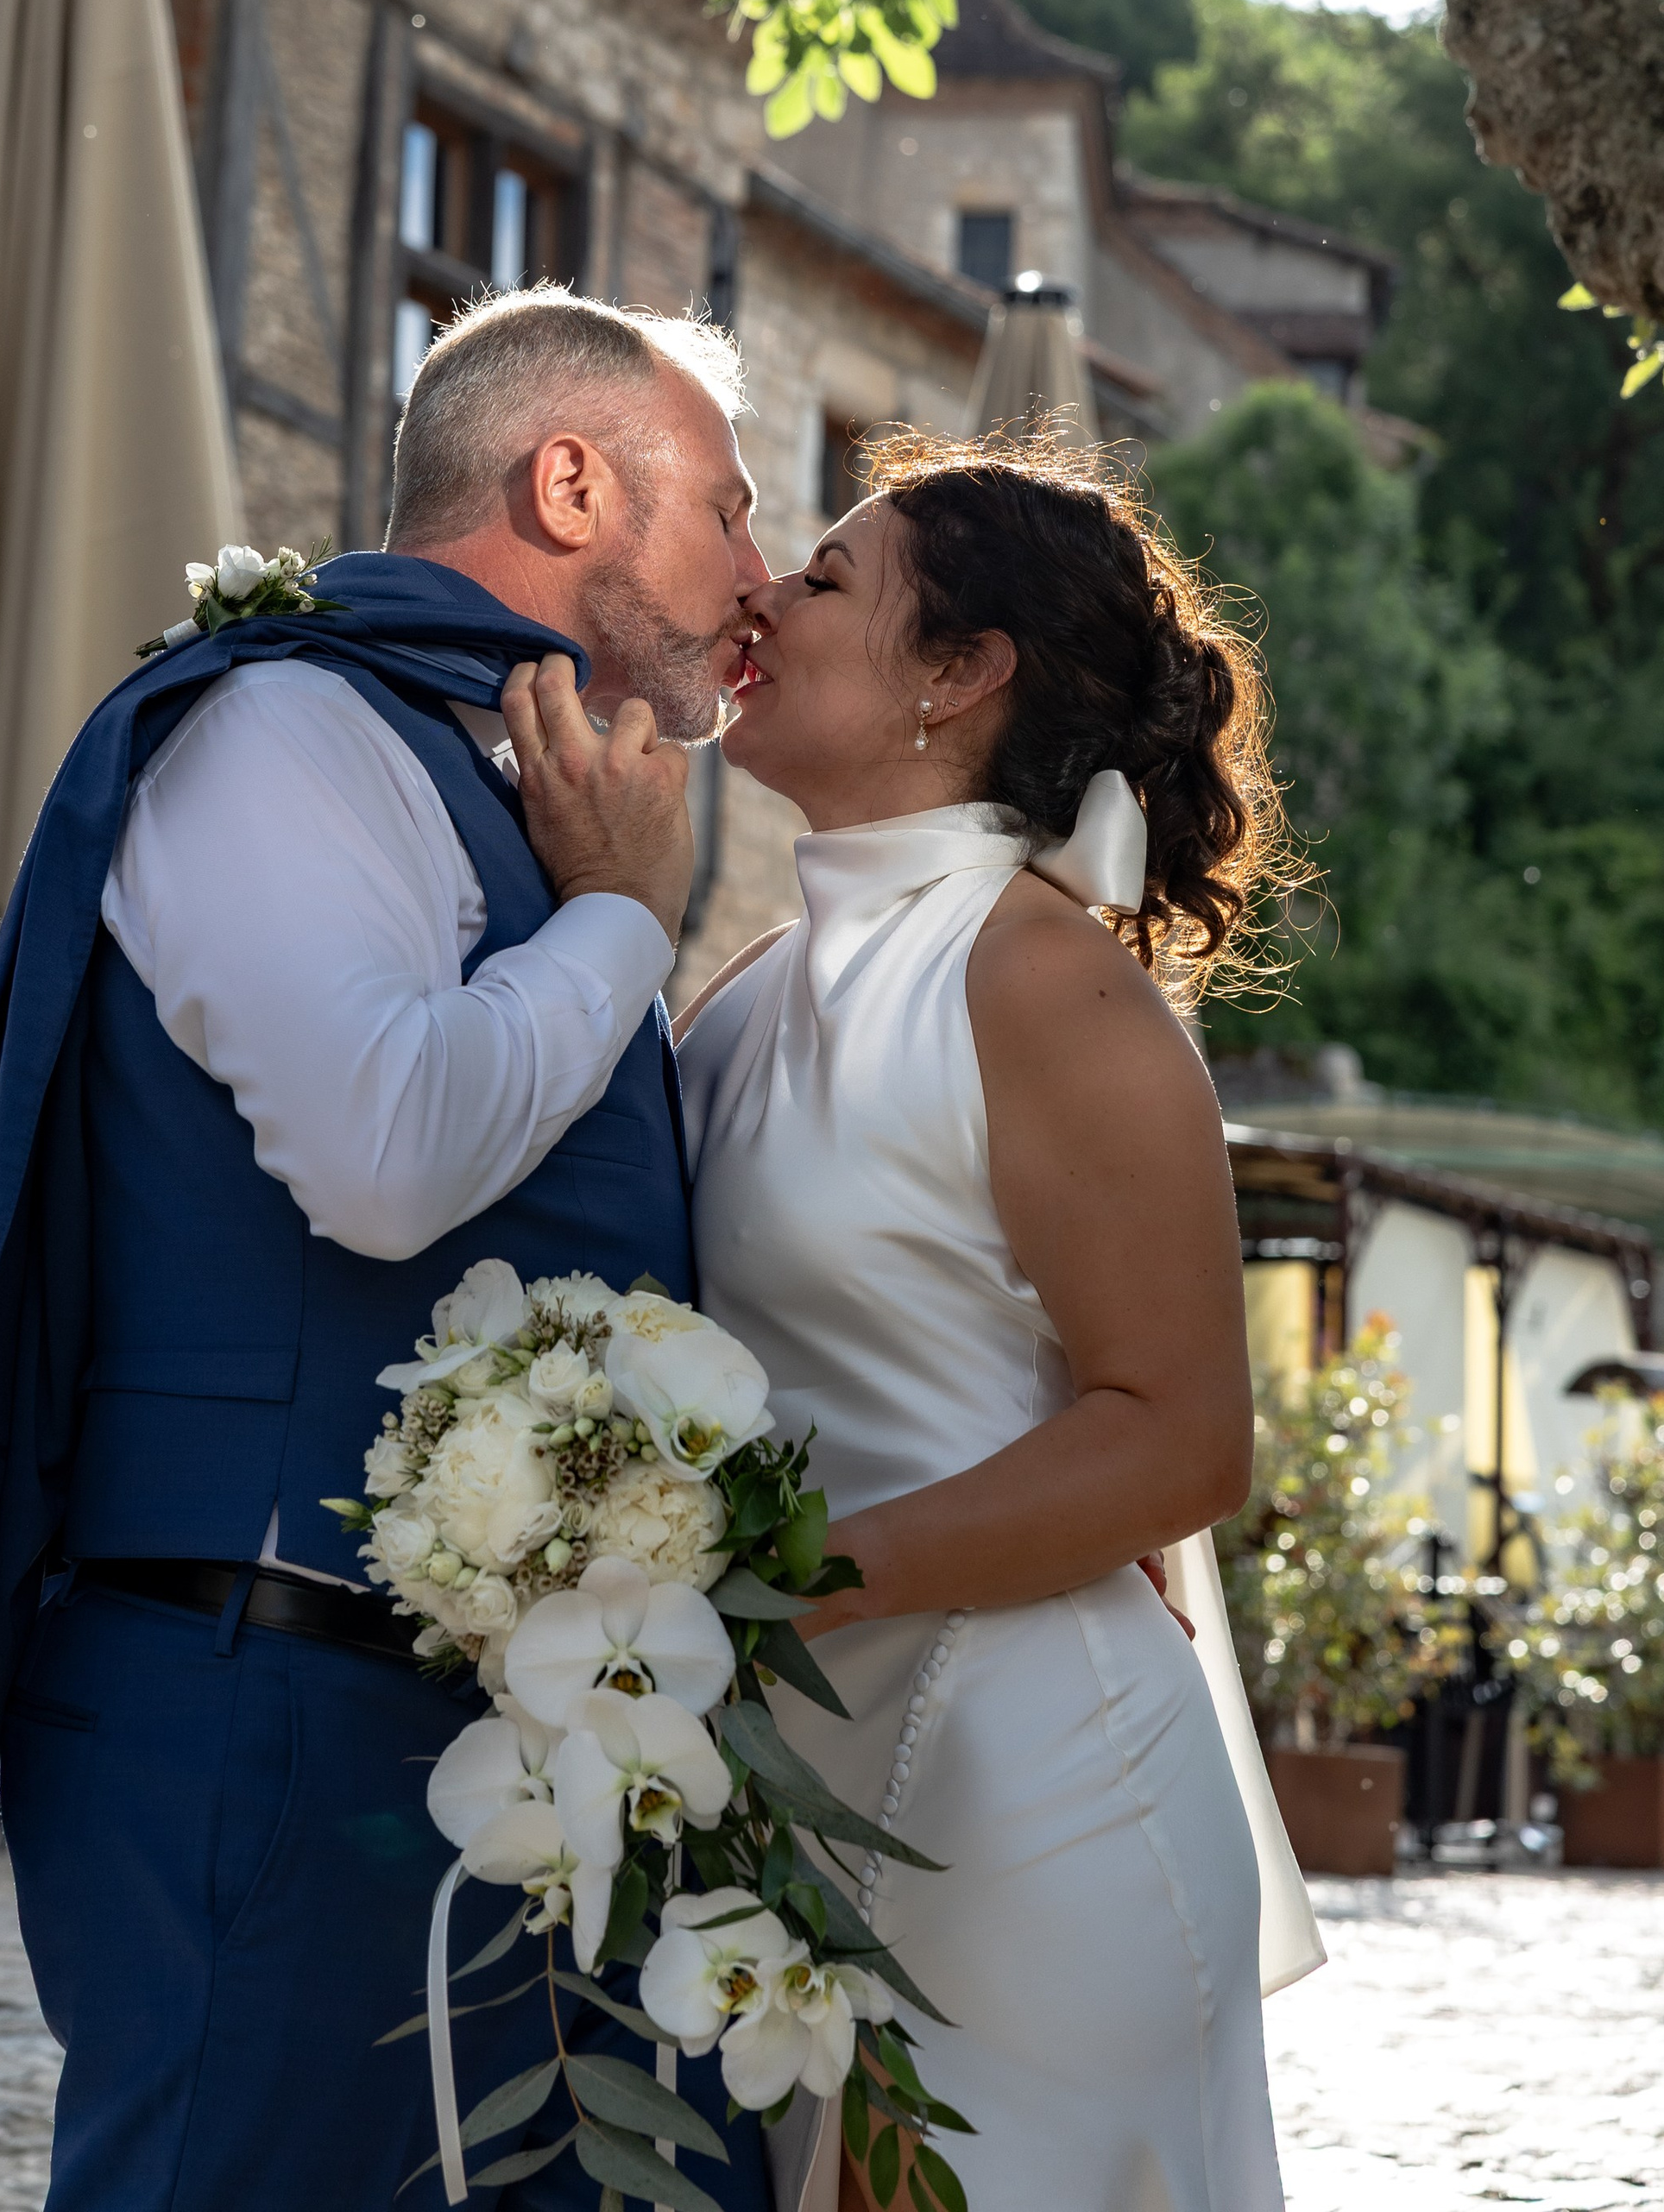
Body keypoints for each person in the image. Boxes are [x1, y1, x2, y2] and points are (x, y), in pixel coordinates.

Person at [0, 284, 777, 2212]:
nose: (761, 573)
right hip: (252, 1701)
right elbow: (382, 1153)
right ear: (570, 482)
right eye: (730, 509)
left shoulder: (491, 777)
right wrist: (618, 927)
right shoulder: (279, 732)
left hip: (462, 1729)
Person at [677, 424, 1318, 2212]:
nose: (760, 594)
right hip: (800, 1777)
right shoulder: (748, 987)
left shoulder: (1040, 982)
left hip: (1026, 1795)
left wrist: (786, 1583)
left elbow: (1177, 1437)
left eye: (820, 580)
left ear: (955, 676)